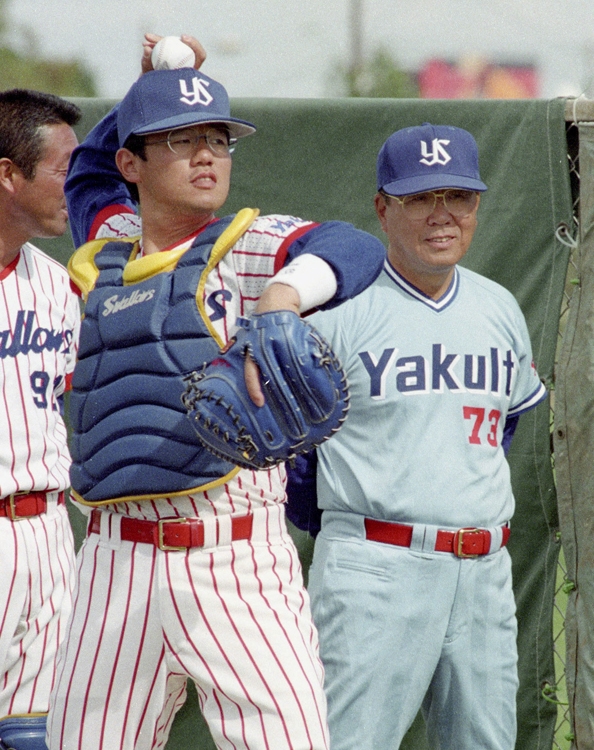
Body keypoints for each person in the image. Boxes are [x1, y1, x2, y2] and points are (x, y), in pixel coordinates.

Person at [46, 36, 386, 750]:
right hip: (115, 563)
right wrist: (153, 86)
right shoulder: (108, 247)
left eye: (218, 139)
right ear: (133, 163)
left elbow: (356, 248)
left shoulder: (250, 243)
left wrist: (284, 296)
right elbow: (86, 178)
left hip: (235, 559)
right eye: (180, 139)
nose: (207, 155)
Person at [301, 123, 548, 750]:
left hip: (484, 570)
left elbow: (502, 429)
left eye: (458, 197)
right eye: (420, 197)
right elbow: (296, 466)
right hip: (376, 566)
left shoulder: (500, 308)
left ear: (477, 206)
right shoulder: (337, 313)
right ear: (384, 208)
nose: (442, 216)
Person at [0, 90, 81, 749]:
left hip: (50, 536)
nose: (75, 184)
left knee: (41, 733)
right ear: (8, 175)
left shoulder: (56, 283)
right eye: (61, 168)